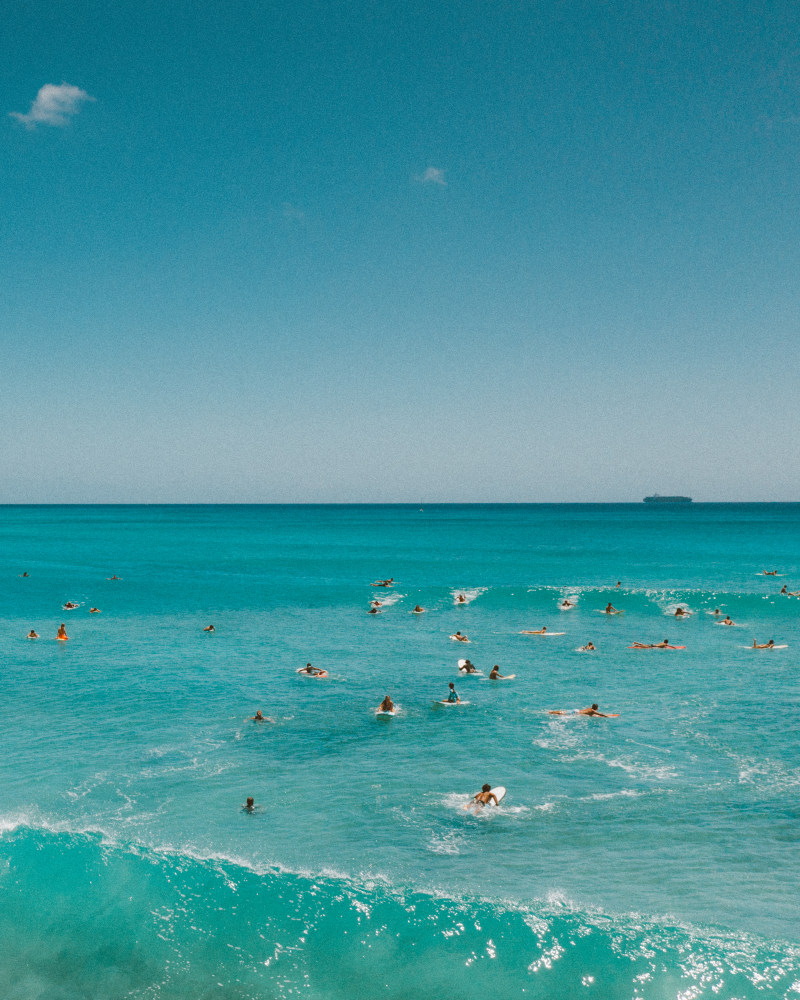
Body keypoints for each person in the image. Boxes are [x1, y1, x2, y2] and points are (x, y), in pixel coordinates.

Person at [549, 703, 617, 717]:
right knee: (563, 714)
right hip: (576, 713)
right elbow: (600, 714)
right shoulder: (593, 711)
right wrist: (607, 716)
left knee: (563, 712)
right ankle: (552, 713)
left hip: (577, 710)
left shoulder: (589, 709)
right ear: (596, 708)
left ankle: (551, 712)